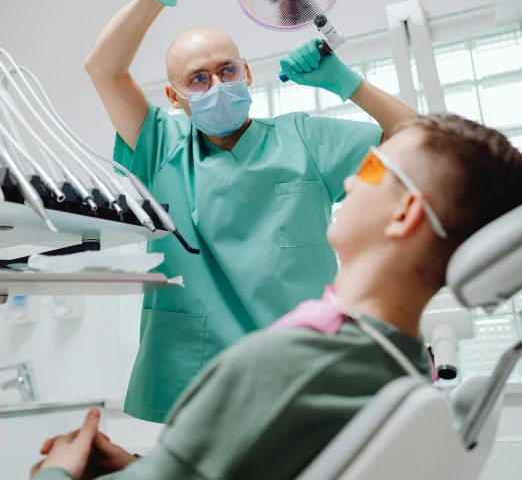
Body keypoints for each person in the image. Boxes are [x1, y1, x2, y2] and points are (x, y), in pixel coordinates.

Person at [32, 114, 522, 480]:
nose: (350, 179)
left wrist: (58, 471)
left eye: (371, 167)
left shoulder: (292, 364)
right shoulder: (403, 367)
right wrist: (153, 465)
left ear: (405, 213)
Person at [84, 0, 418, 422]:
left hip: (299, 371)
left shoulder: (305, 139)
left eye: (226, 70)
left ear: (247, 72)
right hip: (192, 378)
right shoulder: (158, 146)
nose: (216, 83)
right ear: (174, 98)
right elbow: (103, 68)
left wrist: (349, 84)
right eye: (197, 79)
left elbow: (424, 143)